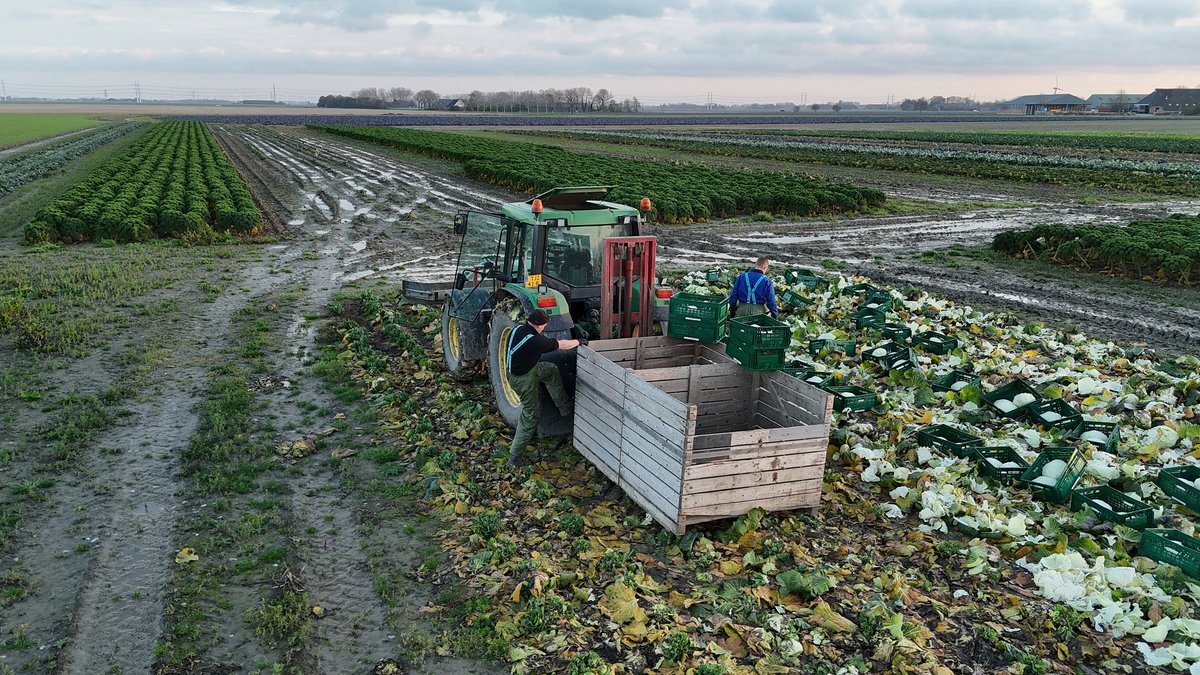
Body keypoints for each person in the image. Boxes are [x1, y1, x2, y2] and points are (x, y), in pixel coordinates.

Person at [506, 309, 581, 466]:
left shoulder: (518, 328)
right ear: (539, 325)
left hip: (522, 368)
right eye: (545, 326)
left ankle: (564, 406)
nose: (545, 328)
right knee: (530, 416)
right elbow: (561, 345)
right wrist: (579, 342)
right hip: (522, 380)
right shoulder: (534, 341)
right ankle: (514, 457)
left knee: (550, 370)